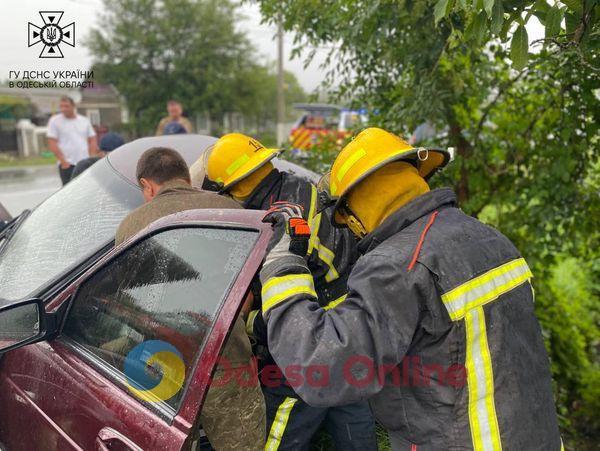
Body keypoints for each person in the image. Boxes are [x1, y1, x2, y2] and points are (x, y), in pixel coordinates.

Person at [256, 127, 563, 450]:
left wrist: (282, 266)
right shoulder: (490, 239)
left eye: (345, 213)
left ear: (360, 203)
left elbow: (321, 368)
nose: (346, 225)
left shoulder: (397, 264)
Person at [195, 133, 377, 451]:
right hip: (351, 316)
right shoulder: (300, 186)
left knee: (284, 422)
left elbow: (283, 297)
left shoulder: (273, 219)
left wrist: (251, 326)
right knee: (350, 405)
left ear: (235, 186)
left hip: (314, 330)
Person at [115, 147, 265, 450]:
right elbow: (253, 287)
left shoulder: (131, 226)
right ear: (187, 178)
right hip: (227, 355)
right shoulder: (232, 210)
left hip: (163, 362)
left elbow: (126, 301)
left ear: (147, 184)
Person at [47, 96, 98, 185]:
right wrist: (63, 162)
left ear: (73, 106)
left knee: (86, 188)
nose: (63, 109)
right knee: (69, 193)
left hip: (84, 163)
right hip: (67, 164)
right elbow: (52, 142)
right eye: (61, 106)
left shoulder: (84, 121)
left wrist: (91, 158)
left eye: (66, 106)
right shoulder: (55, 121)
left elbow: (92, 139)